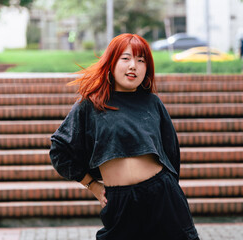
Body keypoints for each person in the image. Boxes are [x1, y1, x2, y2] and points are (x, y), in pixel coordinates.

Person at [50, 33, 199, 240]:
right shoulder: (91, 105)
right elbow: (59, 150)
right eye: (126, 58)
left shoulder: (153, 103)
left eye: (141, 60)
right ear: (112, 63)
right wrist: (92, 185)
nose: (133, 66)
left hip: (162, 196)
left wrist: (170, 190)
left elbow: (171, 152)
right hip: (120, 202)